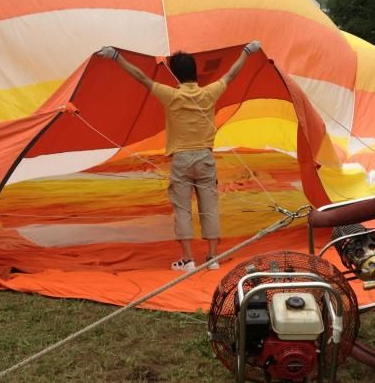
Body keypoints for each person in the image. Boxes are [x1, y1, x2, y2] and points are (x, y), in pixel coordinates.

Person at [96, 41, 262, 271]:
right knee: (210, 207)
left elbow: (141, 77)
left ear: (175, 74)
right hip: (205, 158)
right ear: (195, 72)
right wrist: (247, 52)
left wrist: (116, 57)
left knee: (182, 209)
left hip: (182, 159)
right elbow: (231, 74)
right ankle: (212, 258)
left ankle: (188, 259)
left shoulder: (171, 95)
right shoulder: (209, 93)